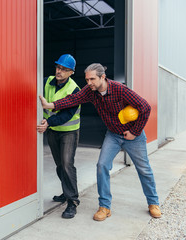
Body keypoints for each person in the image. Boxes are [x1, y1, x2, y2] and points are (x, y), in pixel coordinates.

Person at [39, 63, 162, 221]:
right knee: (102, 166)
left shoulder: (120, 90)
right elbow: (73, 99)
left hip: (133, 136)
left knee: (144, 169)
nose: (89, 83)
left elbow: (145, 107)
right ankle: (105, 206)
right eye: (87, 79)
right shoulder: (91, 91)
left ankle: (153, 203)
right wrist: (52, 105)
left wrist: (134, 132)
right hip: (113, 135)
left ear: (103, 77)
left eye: (92, 79)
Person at [37, 54, 81, 219]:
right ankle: (66, 191)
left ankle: (72, 201)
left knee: (67, 164)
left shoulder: (74, 89)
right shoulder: (47, 81)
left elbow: (66, 115)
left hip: (69, 131)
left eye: (64, 69)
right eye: (58, 67)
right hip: (53, 130)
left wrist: (48, 122)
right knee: (59, 165)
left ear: (71, 72)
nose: (59, 71)